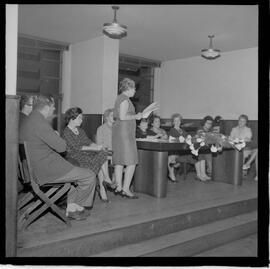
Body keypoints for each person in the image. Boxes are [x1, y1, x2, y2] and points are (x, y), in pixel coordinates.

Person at [19, 95, 96, 221]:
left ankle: (71, 208)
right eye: (53, 106)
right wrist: (57, 135)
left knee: (73, 179)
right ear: (46, 107)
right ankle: (77, 207)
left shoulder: (29, 119)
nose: (54, 109)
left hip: (31, 168)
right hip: (45, 170)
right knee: (89, 175)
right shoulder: (40, 122)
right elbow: (62, 147)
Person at [62, 107, 114, 203]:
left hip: (85, 154)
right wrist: (94, 148)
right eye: (79, 118)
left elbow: (88, 142)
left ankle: (106, 180)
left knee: (102, 153)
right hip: (75, 158)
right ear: (71, 119)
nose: (81, 121)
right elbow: (77, 148)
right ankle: (105, 183)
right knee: (100, 159)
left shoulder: (80, 130)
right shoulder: (66, 132)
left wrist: (98, 146)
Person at [112, 78, 143, 199]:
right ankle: (125, 188)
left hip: (119, 133)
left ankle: (119, 187)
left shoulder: (119, 98)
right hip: (125, 134)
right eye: (134, 88)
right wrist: (137, 116)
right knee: (132, 161)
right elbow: (123, 116)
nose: (135, 91)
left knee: (119, 161)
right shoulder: (124, 99)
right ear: (128, 88)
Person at [167, 113, 197, 182]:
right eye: (175, 121)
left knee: (175, 156)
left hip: (181, 150)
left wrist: (189, 137)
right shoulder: (172, 130)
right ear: (173, 122)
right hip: (173, 149)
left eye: (178, 121)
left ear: (180, 122)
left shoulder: (182, 130)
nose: (177, 122)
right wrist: (185, 138)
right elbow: (180, 137)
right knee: (172, 156)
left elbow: (187, 136)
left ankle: (175, 164)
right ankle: (172, 174)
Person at [230, 114, 257, 181]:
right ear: (238, 121)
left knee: (256, 150)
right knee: (240, 151)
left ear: (246, 122)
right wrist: (241, 139)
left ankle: (247, 164)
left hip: (246, 148)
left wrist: (238, 139)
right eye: (240, 120)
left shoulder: (248, 129)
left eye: (243, 121)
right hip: (235, 148)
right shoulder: (234, 129)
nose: (241, 122)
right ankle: (242, 169)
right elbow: (230, 138)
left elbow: (248, 139)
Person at [195, 115, 214, 181]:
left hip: (206, 149)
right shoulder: (200, 129)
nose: (209, 125)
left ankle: (204, 173)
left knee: (210, 155)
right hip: (198, 149)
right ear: (204, 123)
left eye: (210, 123)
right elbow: (202, 137)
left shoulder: (210, 130)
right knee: (203, 155)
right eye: (208, 123)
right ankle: (200, 174)